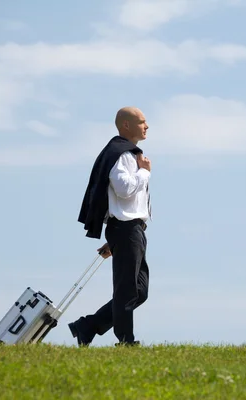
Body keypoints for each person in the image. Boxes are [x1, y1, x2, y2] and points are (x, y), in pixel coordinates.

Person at [69, 106, 152, 347]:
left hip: (129, 230)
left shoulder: (124, 153)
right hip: (126, 230)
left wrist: (115, 238)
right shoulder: (123, 154)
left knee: (139, 291)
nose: (146, 126)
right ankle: (126, 341)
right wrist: (145, 173)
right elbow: (124, 189)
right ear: (126, 125)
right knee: (127, 289)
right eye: (142, 122)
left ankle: (88, 326)